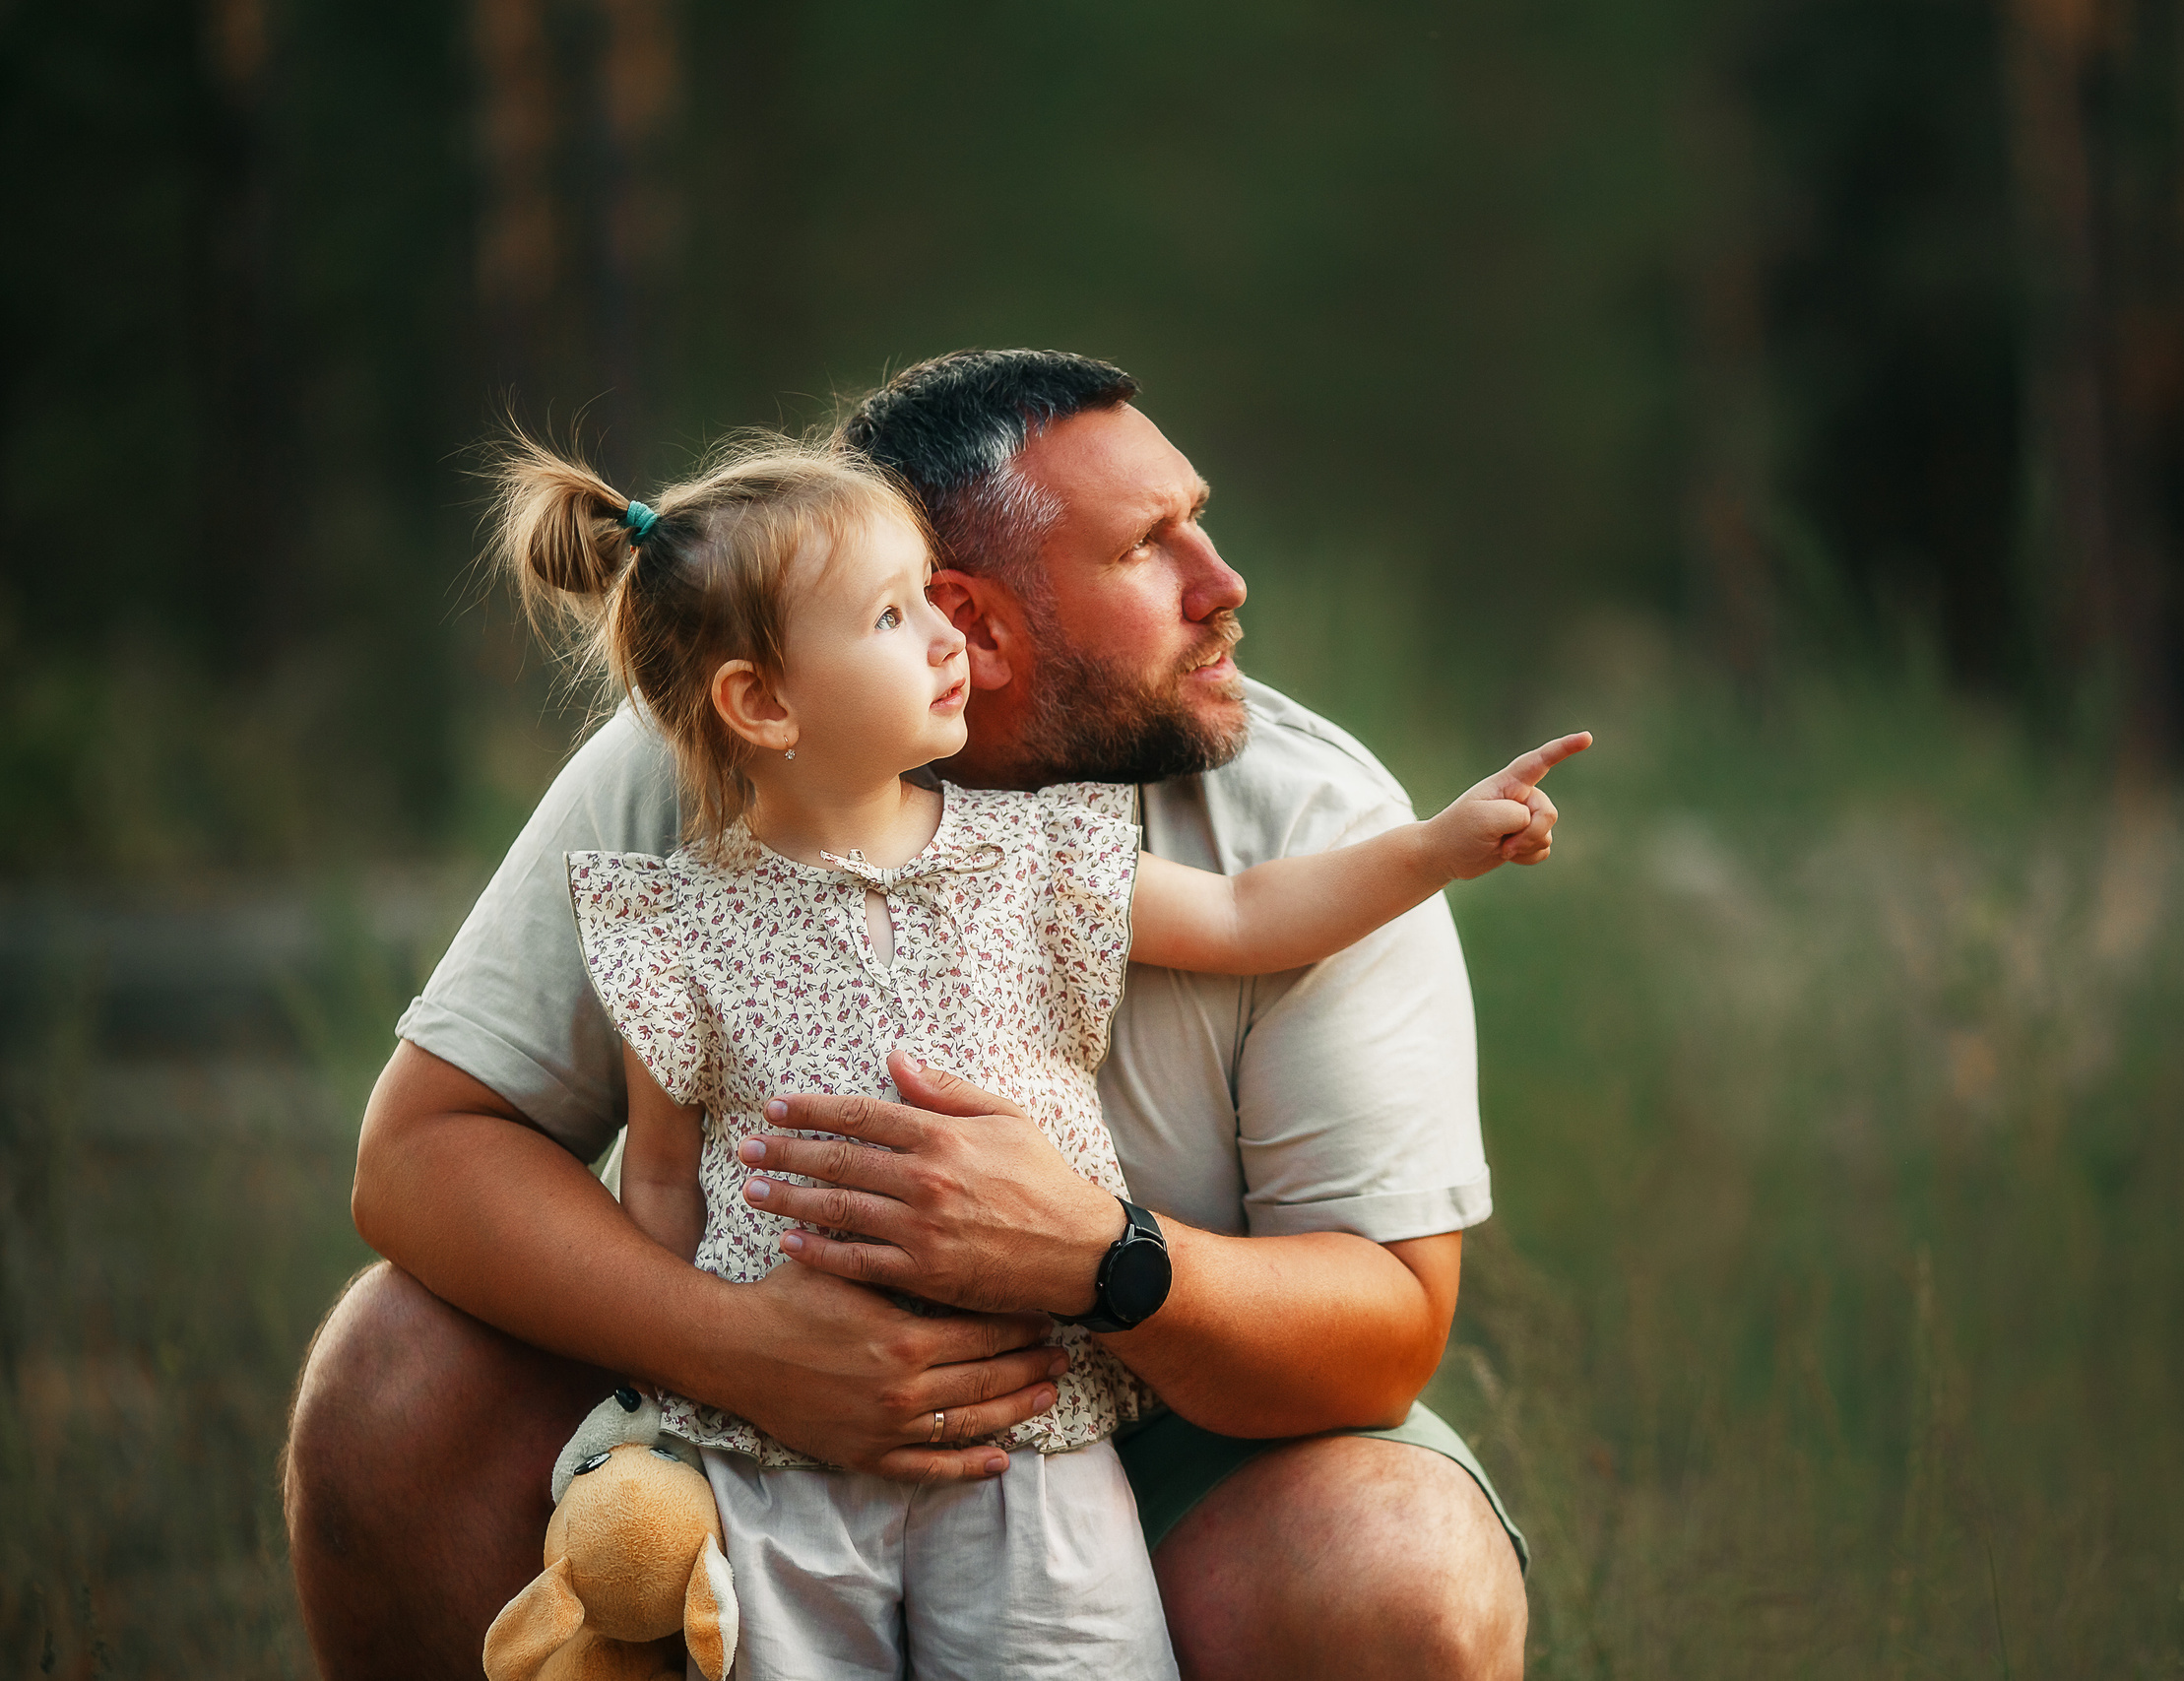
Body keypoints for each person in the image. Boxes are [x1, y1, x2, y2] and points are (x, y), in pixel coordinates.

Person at [289, 350, 1536, 1679]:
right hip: (757, 1421)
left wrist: (1102, 1259)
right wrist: (743, 1352)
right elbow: (420, 1155)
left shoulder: (1308, 823)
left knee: (1395, 1574)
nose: (1224, 587)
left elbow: (1388, 1329)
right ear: (967, 623)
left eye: (1202, 522)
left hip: (1182, 1427)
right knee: (393, 1375)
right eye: (1151, 548)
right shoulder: (713, 760)